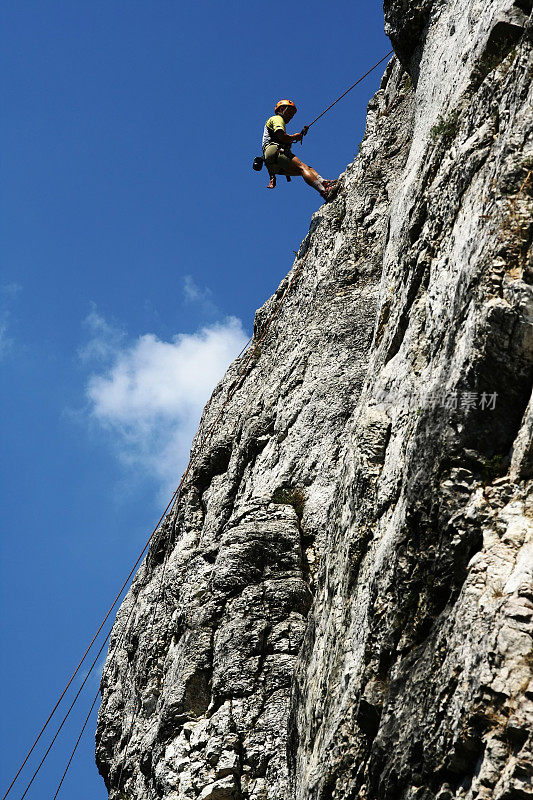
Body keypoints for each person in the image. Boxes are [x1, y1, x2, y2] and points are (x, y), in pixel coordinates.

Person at [262, 99, 339, 201]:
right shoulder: (277, 118)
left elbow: (283, 140)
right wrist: (294, 137)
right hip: (274, 151)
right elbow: (282, 136)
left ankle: (324, 183)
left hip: (272, 164)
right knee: (302, 167)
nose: (291, 116)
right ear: (281, 109)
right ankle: (324, 191)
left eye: (293, 115)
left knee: (307, 168)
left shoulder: (273, 126)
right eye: (289, 113)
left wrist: (298, 135)